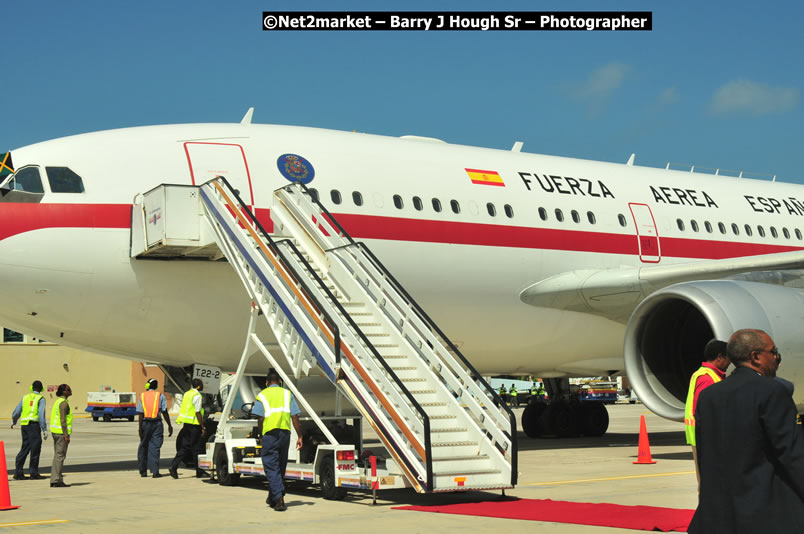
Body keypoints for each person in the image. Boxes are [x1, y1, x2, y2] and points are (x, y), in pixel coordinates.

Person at [688, 329, 804, 533]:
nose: (776, 357)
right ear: (756, 357)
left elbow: (707, 455)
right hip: (763, 511)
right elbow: (792, 454)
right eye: (773, 351)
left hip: (718, 514)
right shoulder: (772, 391)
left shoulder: (709, 396)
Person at [252, 369, 303, 512]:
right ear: (280, 381)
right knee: (280, 466)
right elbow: (295, 417)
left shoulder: (263, 395)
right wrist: (299, 435)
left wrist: (261, 434)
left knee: (270, 466)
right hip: (285, 434)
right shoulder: (287, 394)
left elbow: (260, 418)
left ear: (267, 382)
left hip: (270, 435)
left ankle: (279, 499)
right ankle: (272, 497)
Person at [683, 338, 729, 487]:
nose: (729, 362)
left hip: (704, 435)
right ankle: (706, 509)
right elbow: (702, 411)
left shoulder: (708, 374)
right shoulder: (707, 378)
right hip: (705, 437)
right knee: (708, 484)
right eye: (727, 358)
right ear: (720, 357)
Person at [10, 380, 48, 480]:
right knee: (35, 449)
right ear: (41, 389)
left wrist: (14, 421)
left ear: (31, 388)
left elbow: (17, 412)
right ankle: (33, 473)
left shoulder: (25, 397)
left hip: (24, 426)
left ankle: (18, 472)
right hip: (34, 426)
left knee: (25, 448)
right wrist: (44, 429)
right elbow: (41, 414)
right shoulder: (41, 399)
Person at [169, 379, 206, 479]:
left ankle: (174, 466)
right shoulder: (197, 396)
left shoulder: (187, 394)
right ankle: (199, 470)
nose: (203, 386)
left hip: (186, 424)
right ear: (198, 386)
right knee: (196, 448)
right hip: (194, 425)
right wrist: (202, 426)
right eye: (201, 384)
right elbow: (197, 412)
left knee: (185, 447)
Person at [137, 378, 173, 478]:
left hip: (145, 423)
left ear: (147, 386)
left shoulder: (142, 396)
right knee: (155, 448)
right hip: (156, 424)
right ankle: (155, 472)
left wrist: (140, 428)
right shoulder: (160, 396)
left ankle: (143, 471)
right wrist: (169, 425)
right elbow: (165, 412)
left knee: (143, 446)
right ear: (156, 386)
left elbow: (140, 413)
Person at [50, 384, 72, 488]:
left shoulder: (58, 401)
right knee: (60, 456)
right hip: (60, 433)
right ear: (64, 391)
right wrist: (66, 435)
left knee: (57, 456)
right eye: (68, 389)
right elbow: (63, 420)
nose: (70, 391)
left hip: (55, 432)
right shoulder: (63, 403)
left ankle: (55, 478)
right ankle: (56, 480)